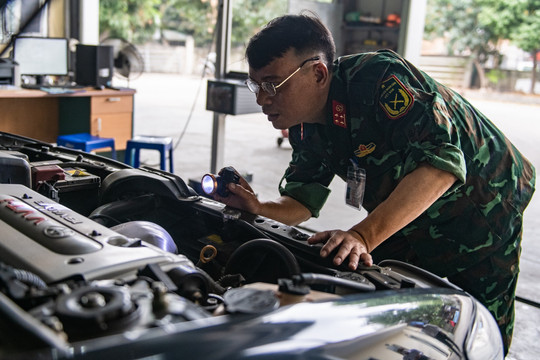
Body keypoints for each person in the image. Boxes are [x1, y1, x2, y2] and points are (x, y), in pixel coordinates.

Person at [212, 13, 535, 354]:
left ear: (318, 73)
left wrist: (363, 235)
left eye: (273, 85)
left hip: (484, 205)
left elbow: (441, 167)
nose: (262, 99)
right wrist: (259, 208)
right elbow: (301, 200)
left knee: (476, 334)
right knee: (390, 307)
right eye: (256, 85)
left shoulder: (380, 79)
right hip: (406, 214)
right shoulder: (305, 125)